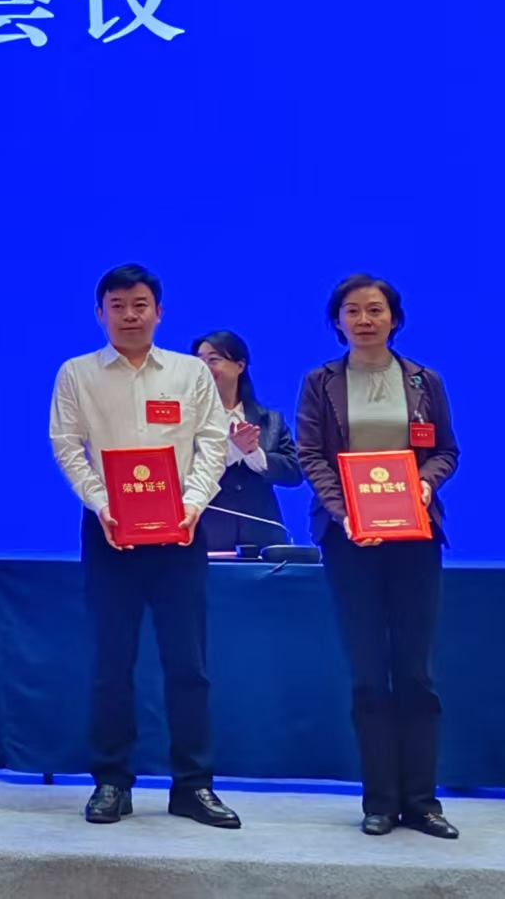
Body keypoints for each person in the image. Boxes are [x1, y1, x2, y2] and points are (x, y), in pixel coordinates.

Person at [48, 264, 239, 829]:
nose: (129, 316)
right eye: (117, 306)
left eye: (139, 305)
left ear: (158, 312)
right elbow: (67, 445)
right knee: (111, 663)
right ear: (99, 313)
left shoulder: (190, 372)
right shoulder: (77, 374)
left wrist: (193, 505)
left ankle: (194, 785)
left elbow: (211, 443)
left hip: (181, 532)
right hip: (109, 531)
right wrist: (100, 503)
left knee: (189, 665)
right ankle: (111, 781)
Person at [294, 274, 460, 840]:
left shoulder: (423, 380)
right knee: (369, 674)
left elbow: (446, 451)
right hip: (349, 539)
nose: (364, 320)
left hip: (416, 535)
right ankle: (380, 801)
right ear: (336, 320)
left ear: (394, 317)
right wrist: (344, 512)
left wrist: (426, 485)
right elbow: (311, 455)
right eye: (352, 310)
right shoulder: (320, 382)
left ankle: (424, 802)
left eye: (375, 309)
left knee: (416, 672)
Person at [190, 331, 303, 552]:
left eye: (213, 360)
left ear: (240, 366)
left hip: (263, 535)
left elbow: (294, 472)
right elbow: (180, 470)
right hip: (206, 534)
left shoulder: (270, 420)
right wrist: (231, 452)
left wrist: (253, 453)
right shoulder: (187, 420)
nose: (204, 368)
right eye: (199, 361)